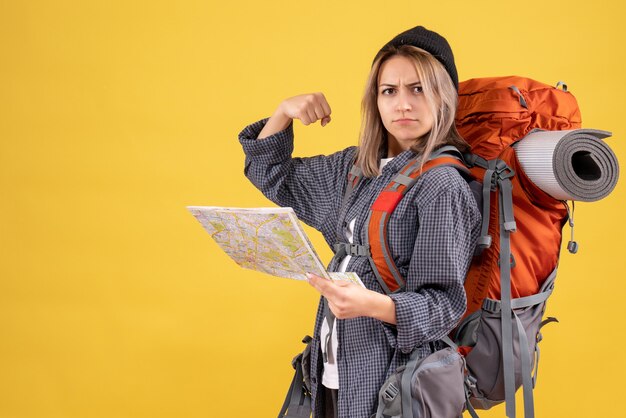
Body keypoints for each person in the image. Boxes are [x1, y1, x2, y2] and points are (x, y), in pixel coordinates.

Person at [238, 25, 481, 418]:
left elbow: (443, 306)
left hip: (395, 383)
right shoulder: (354, 170)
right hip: (333, 374)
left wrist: (372, 304)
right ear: (375, 100)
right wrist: (284, 112)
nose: (403, 104)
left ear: (444, 99)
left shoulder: (442, 185)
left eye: (418, 89)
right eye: (390, 91)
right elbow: (271, 174)